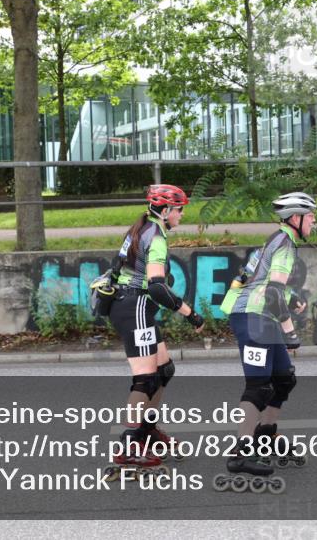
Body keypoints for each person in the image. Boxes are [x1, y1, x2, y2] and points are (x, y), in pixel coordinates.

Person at [214, 192, 316, 492]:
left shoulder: (277, 239)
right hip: (252, 318)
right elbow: (270, 293)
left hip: (261, 317)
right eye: (311, 217)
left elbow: (258, 278)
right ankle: (240, 455)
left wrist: (291, 298)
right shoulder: (284, 245)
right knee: (258, 386)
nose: (314, 222)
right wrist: (290, 332)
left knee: (283, 379)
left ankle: (265, 436)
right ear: (295, 218)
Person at [103, 184, 203, 479]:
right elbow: (157, 287)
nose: (182, 215)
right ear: (166, 210)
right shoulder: (155, 236)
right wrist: (190, 314)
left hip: (133, 305)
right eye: (179, 210)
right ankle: (129, 446)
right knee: (145, 379)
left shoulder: (143, 226)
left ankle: (146, 431)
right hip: (134, 306)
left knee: (164, 370)